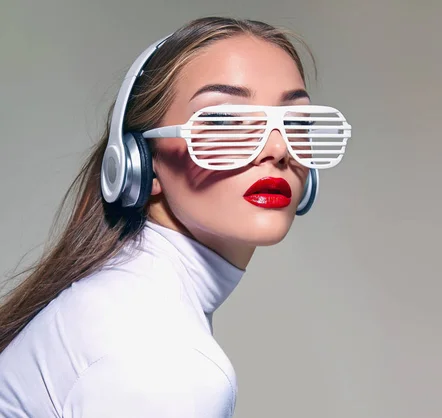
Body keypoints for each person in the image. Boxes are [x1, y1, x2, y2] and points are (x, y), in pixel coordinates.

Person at [0, 16, 351, 418]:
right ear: (140, 163)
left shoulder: (124, 306)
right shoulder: (163, 359)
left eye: (297, 122)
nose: (277, 148)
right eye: (223, 120)